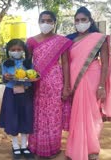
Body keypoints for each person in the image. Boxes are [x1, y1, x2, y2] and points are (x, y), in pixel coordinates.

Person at [65, 7, 111, 160]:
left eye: (83, 19)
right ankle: (75, 150)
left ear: (90, 21)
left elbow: (105, 63)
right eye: (77, 20)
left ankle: (91, 149)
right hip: (74, 78)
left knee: (92, 113)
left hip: (93, 77)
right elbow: (65, 62)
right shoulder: (69, 39)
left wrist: (102, 85)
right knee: (77, 113)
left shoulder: (99, 38)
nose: (80, 23)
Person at [26, 11, 73, 158]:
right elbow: (27, 63)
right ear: (38, 22)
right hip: (37, 83)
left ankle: (53, 147)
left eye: (49, 20)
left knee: (54, 115)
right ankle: (36, 147)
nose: (46, 23)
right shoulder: (31, 41)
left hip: (55, 81)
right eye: (43, 20)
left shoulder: (61, 41)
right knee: (38, 114)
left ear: (54, 23)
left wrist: (66, 86)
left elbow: (65, 62)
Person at [0, 39, 35, 160]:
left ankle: (24, 146)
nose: (16, 52)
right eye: (13, 50)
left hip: (26, 93)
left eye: (19, 49)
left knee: (25, 117)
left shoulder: (28, 63)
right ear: (8, 51)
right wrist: (6, 76)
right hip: (11, 94)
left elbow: (32, 77)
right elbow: (4, 79)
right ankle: (15, 146)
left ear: (23, 50)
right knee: (12, 118)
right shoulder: (5, 64)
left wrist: (30, 78)